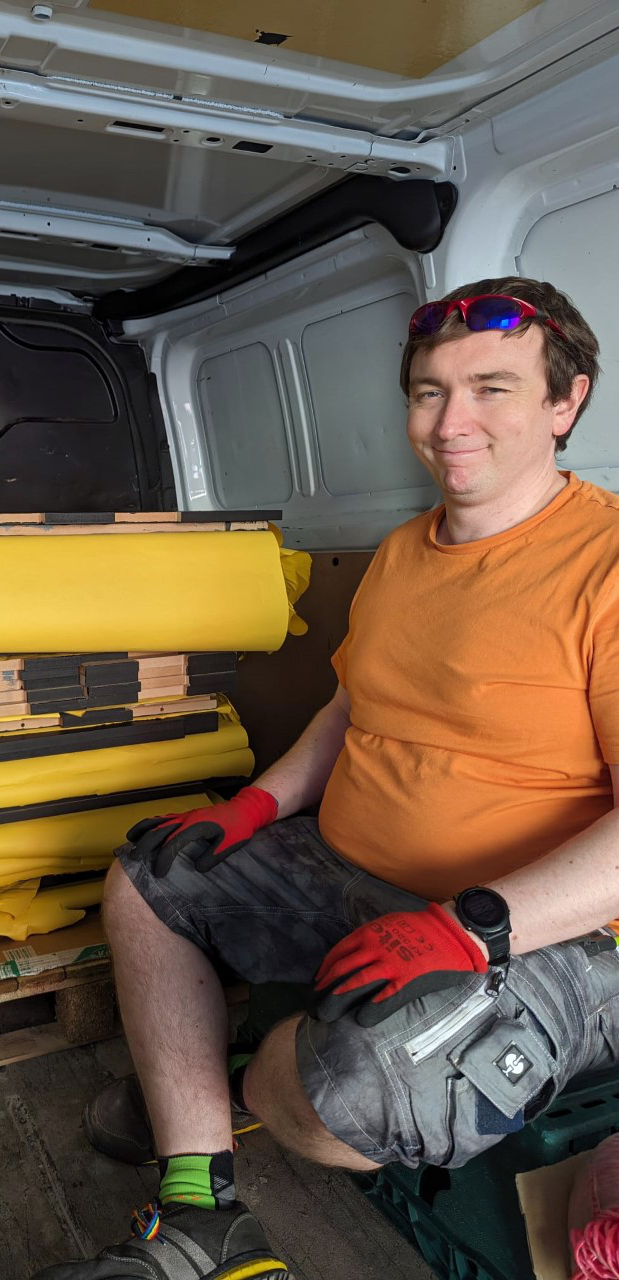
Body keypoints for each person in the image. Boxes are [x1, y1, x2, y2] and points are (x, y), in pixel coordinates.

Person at [32, 277, 619, 1280]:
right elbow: (352, 709)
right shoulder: (401, 551)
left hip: (541, 930)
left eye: (492, 388)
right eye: (429, 392)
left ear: (565, 404)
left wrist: (471, 925)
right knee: (146, 879)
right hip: (352, 871)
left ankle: (236, 1089)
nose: (451, 422)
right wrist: (259, 803)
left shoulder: (603, 563)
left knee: (333, 1096)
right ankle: (199, 1210)